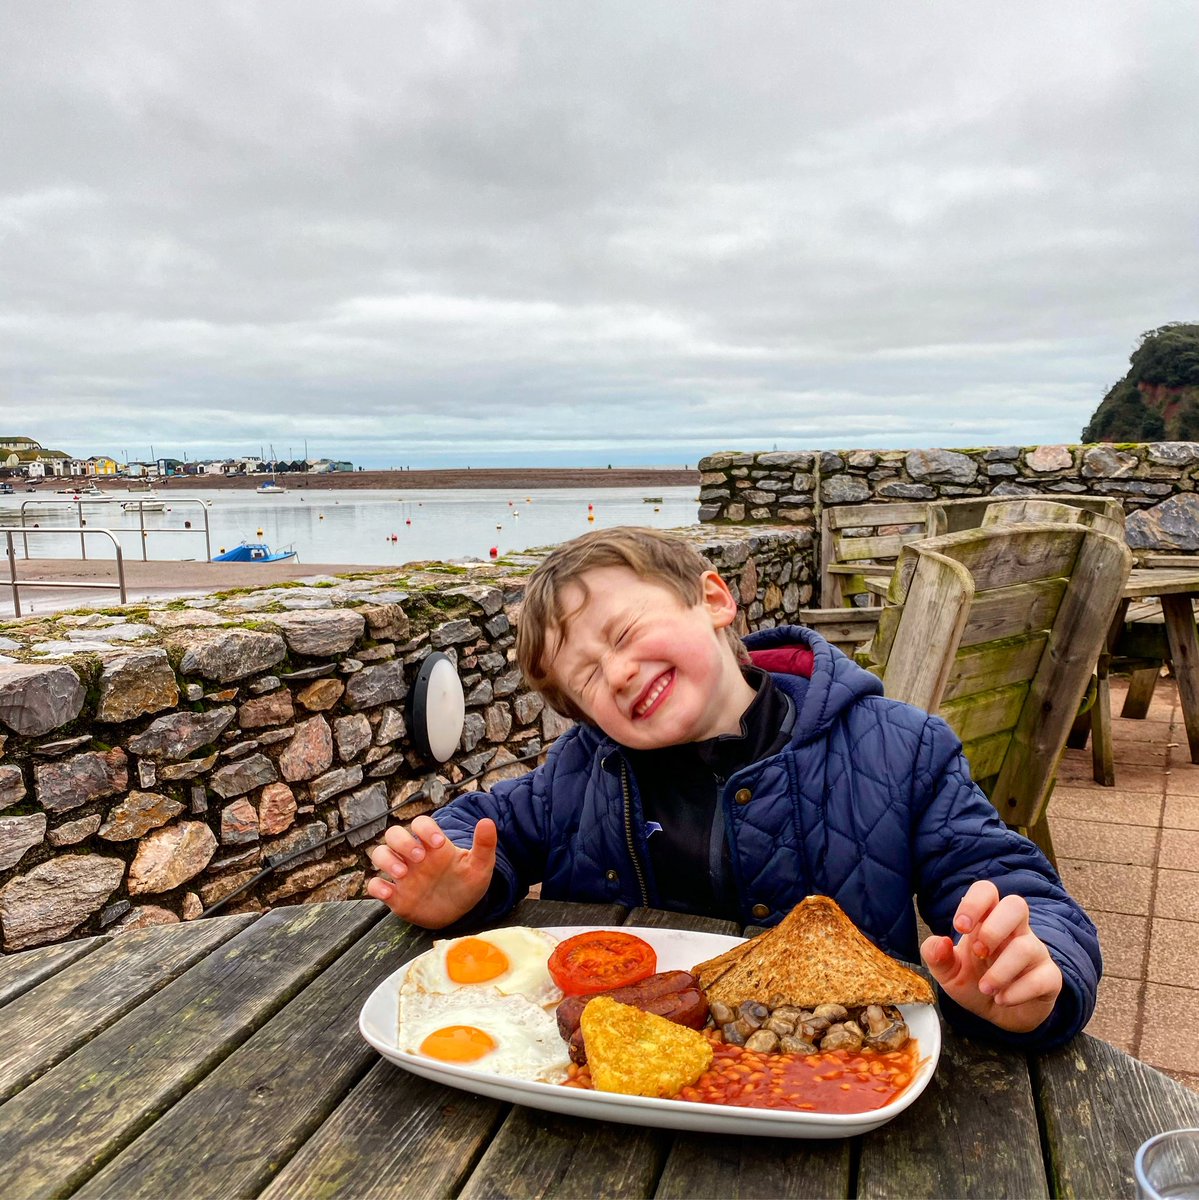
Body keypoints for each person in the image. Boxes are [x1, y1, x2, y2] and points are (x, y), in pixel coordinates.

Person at [367, 527, 1100, 1049]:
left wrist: (1031, 975)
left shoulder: (899, 748)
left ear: (713, 599)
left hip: (835, 1074)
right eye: (585, 678)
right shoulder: (581, 770)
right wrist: (462, 881)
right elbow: (480, 827)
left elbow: (1008, 886)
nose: (616, 674)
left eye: (624, 635)